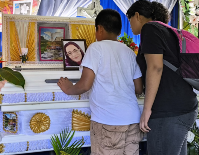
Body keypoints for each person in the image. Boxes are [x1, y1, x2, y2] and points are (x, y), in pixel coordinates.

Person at [58, 9, 143, 155]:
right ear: (119, 30)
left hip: (108, 121)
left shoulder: (96, 47)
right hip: (133, 121)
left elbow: (85, 84)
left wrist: (69, 88)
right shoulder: (129, 51)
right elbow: (139, 88)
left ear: (100, 29)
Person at [126, 1, 198, 154]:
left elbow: (155, 67)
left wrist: (147, 109)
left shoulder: (150, 28)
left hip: (168, 111)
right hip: (183, 106)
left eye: (129, 19)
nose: (130, 25)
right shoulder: (169, 31)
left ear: (137, 16)